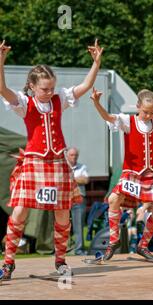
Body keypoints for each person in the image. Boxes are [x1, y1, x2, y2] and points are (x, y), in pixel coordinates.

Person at [0, 39, 103, 279]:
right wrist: (1, 60)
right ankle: (8, 264)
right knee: (19, 213)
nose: (49, 93)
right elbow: (2, 89)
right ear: (33, 87)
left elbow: (85, 86)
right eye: (44, 89)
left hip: (57, 163)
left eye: (51, 88)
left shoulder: (60, 99)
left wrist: (96, 63)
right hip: (34, 162)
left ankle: (60, 261)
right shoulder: (25, 103)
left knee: (62, 213)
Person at [91, 87, 153, 260]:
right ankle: (114, 240)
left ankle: (142, 246)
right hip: (133, 172)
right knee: (114, 199)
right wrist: (97, 103)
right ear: (138, 107)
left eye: (152, 112)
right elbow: (108, 117)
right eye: (145, 112)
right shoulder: (127, 121)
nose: (149, 116)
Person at [66, 147, 89, 256]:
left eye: (75, 155)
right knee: (63, 225)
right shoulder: (63, 167)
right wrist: (77, 178)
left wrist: (70, 178)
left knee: (78, 225)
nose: (74, 157)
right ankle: (65, 249)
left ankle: (79, 249)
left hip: (79, 199)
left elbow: (85, 180)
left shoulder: (82, 166)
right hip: (65, 198)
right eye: (71, 155)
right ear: (67, 155)